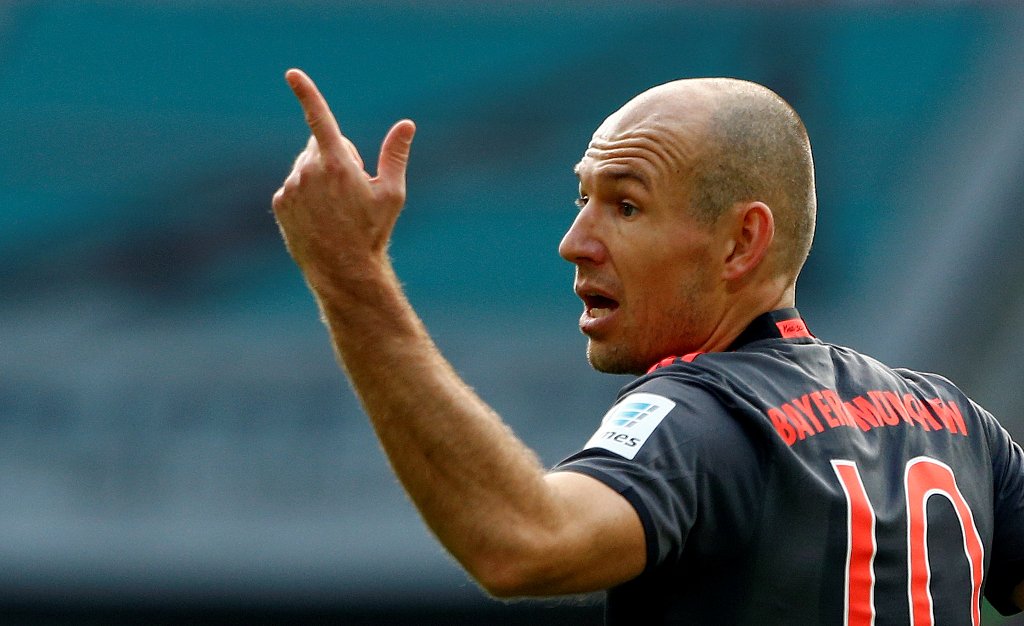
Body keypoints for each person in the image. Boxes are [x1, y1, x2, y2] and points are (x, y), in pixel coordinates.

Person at [271, 68, 1024, 624]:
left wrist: (350, 276)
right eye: (583, 199)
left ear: (741, 242)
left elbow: (522, 541)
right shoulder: (955, 421)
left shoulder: (701, 416)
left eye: (625, 205)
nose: (574, 243)